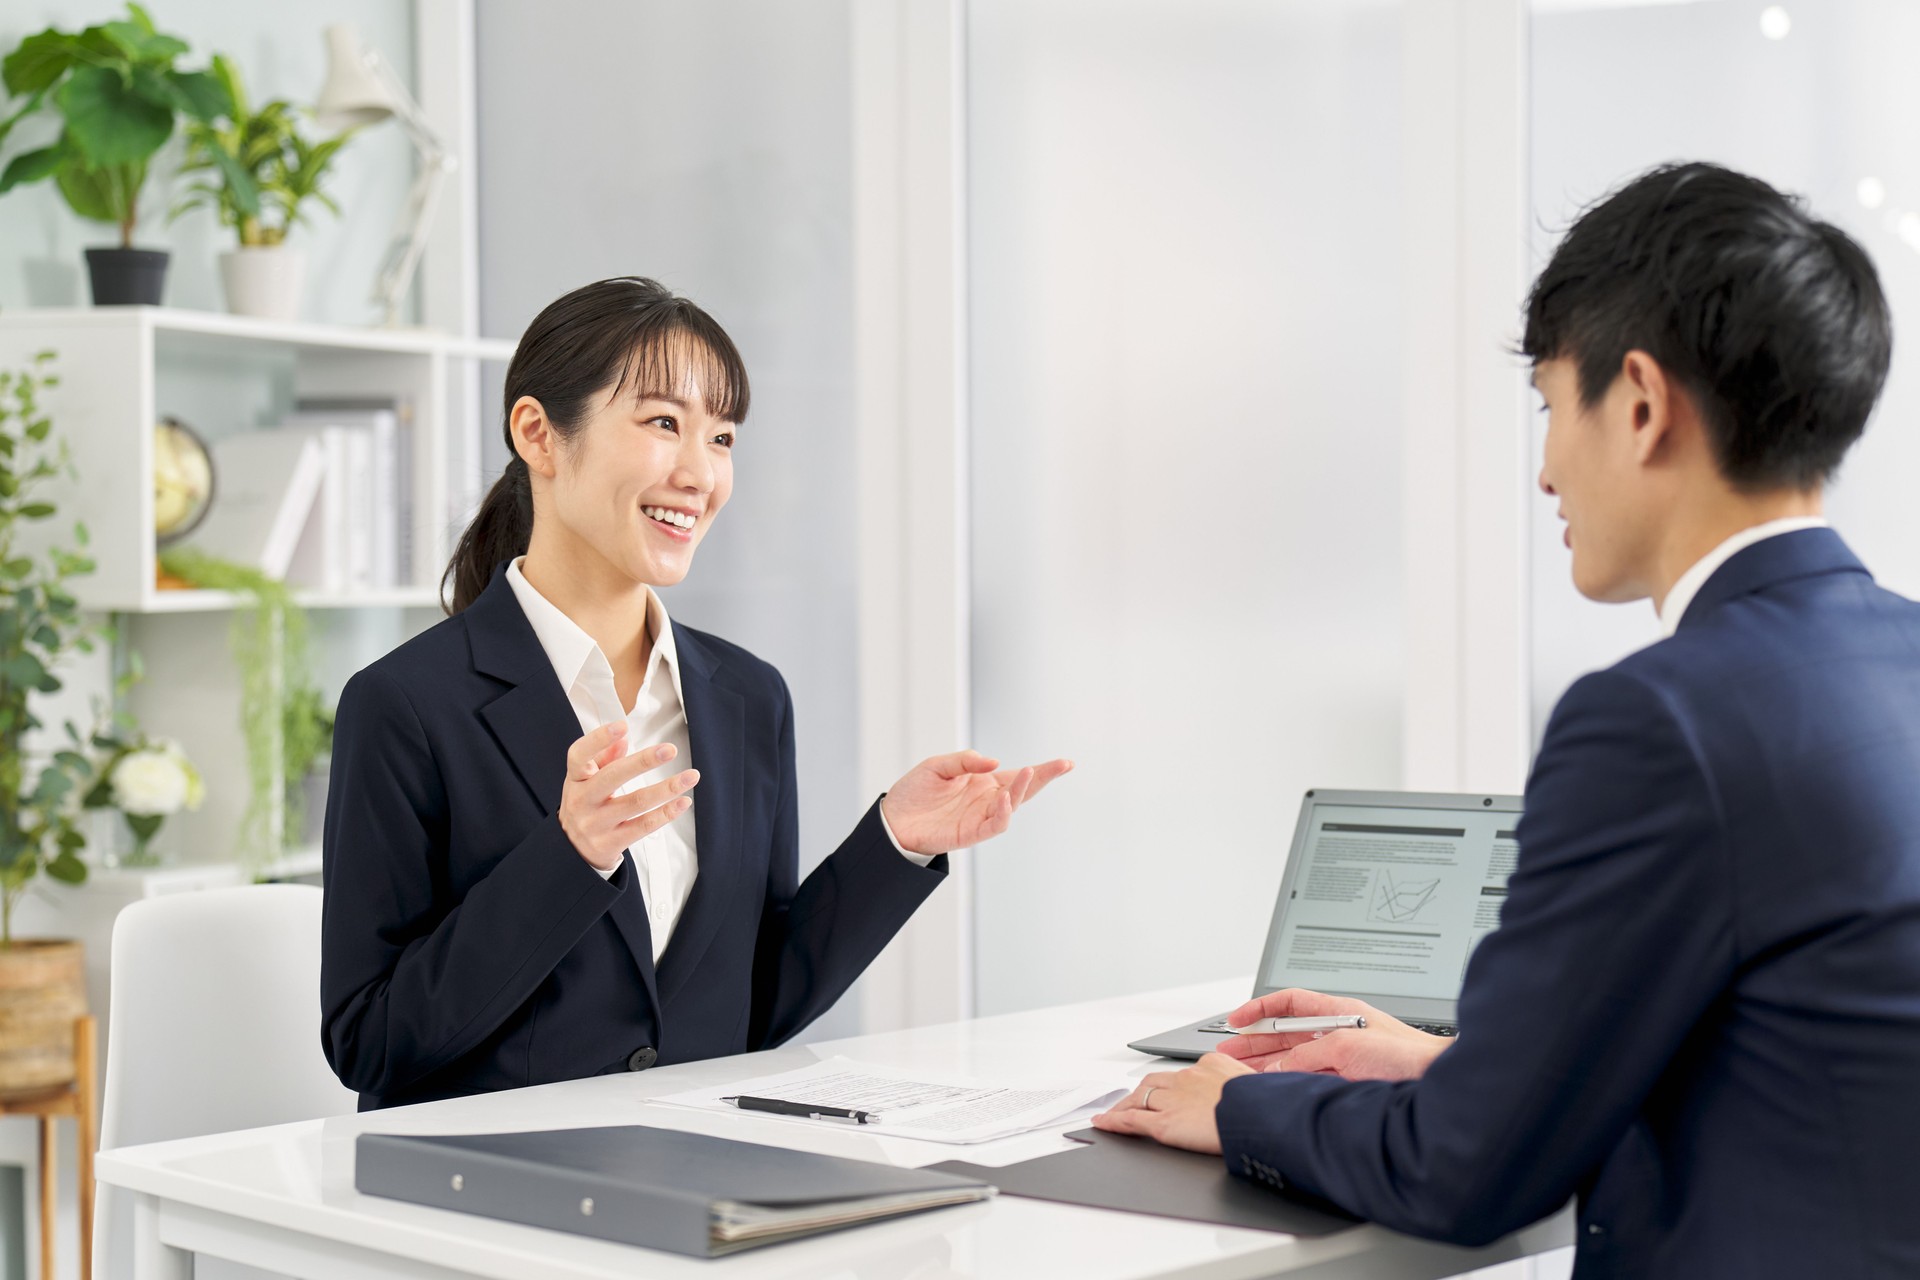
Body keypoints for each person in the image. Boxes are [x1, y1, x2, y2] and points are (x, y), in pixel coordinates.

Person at [1095, 162, 1920, 1277]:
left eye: (1549, 406)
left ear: (1638, 402)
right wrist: (1460, 1059)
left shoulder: (1659, 720)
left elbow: (1467, 1169)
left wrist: (1245, 1104)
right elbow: (1792, 1049)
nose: (1543, 474)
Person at [321, 277, 1070, 1110]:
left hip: (697, 1173)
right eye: (663, 423)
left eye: (721, 438)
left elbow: (755, 1005)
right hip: (492, 1194)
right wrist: (569, 857)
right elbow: (370, 1041)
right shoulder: (406, 705)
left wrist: (892, 842)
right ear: (539, 434)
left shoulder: (748, 697)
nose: (700, 473)